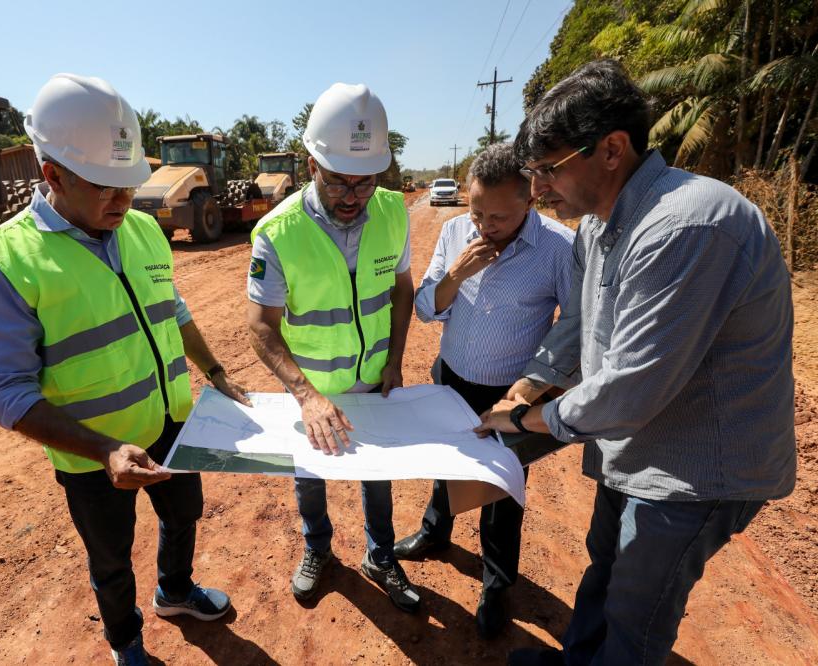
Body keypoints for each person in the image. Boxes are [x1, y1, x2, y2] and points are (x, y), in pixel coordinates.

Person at [475, 60, 796, 666]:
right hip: (636, 449)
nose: (539, 189)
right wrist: (530, 382)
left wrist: (523, 424)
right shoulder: (598, 226)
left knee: (636, 615)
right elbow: (575, 323)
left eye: (549, 170)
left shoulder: (686, 225)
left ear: (613, 149)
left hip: (695, 469)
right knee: (604, 570)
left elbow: (631, 389)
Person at [0, 74, 248, 666]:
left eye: (129, 184)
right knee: (111, 558)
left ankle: (175, 592)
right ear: (53, 176)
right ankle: (127, 643)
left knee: (183, 516)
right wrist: (106, 450)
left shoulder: (142, 228)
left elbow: (174, 310)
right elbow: (6, 394)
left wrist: (216, 372)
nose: (123, 202)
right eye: (104, 188)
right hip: (93, 458)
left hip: (172, 422)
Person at [246, 83, 419, 612]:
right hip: (313, 393)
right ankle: (318, 551)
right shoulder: (277, 232)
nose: (351, 196)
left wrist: (393, 361)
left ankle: (380, 555)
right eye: (338, 181)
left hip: (372, 385)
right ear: (310, 164)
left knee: (377, 478)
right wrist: (305, 395)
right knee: (311, 480)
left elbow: (401, 289)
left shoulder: (393, 212)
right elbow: (260, 327)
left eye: (364, 183)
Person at [392, 143, 574, 638]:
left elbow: (573, 324)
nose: (482, 225)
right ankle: (435, 533)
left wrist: (533, 388)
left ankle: (496, 584)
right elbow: (427, 307)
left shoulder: (558, 247)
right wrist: (456, 274)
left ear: (530, 201)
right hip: (452, 377)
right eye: (476, 211)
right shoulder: (454, 233)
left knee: (501, 491)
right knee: (445, 464)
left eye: (497, 216)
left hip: (510, 396)